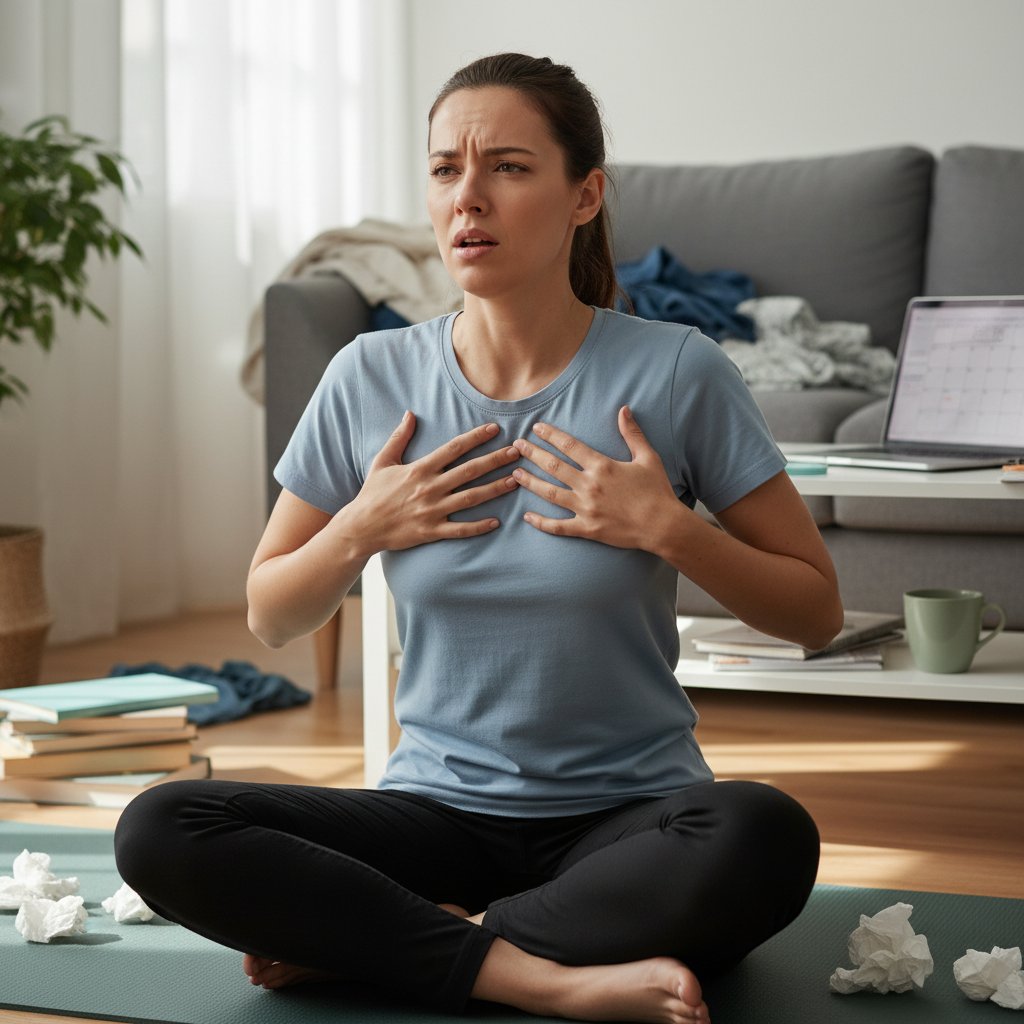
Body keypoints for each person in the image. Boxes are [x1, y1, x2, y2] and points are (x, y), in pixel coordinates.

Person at [115, 53, 843, 1024]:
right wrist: (361, 528)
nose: (468, 196)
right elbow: (271, 612)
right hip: (433, 818)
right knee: (162, 824)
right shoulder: (369, 376)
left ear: (584, 195)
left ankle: (405, 943)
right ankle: (540, 975)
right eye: (444, 169)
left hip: (627, 821)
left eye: (507, 166)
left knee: (765, 833)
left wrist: (671, 530)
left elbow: (815, 611)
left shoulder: (678, 371)